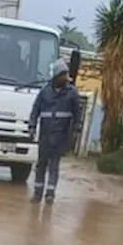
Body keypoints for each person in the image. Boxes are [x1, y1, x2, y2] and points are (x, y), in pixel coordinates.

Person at [27, 59, 81, 204]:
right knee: (41, 165)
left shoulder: (72, 93)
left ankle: (50, 194)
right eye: (63, 75)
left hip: (60, 135)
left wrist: (76, 129)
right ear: (57, 76)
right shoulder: (45, 91)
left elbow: (77, 113)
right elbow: (35, 109)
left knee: (54, 165)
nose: (66, 78)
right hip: (45, 134)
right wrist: (31, 127)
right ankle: (37, 193)